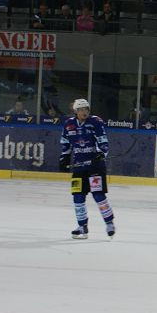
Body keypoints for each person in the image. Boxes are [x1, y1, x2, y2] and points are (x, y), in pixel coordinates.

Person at [58, 99, 115, 239]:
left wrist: (101, 153)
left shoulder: (96, 122)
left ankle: (109, 223)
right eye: (81, 109)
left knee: (98, 195)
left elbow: (104, 142)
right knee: (77, 196)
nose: (85, 112)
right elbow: (65, 143)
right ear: (75, 111)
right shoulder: (69, 124)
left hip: (95, 167)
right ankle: (82, 226)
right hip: (78, 167)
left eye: (86, 109)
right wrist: (64, 157)